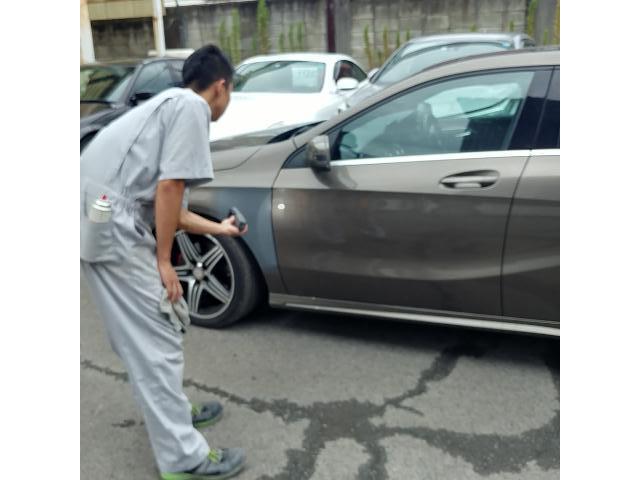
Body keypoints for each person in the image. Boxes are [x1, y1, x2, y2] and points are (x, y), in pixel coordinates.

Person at [80, 45, 247, 480]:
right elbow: (170, 188)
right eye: (232, 92)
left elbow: (169, 208)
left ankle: (171, 416)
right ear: (221, 86)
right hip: (110, 221)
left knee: (140, 336)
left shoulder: (167, 103)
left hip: (96, 215)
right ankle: (184, 459)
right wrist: (164, 262)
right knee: (158, 332)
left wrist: (222, 230)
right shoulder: (192, 108)